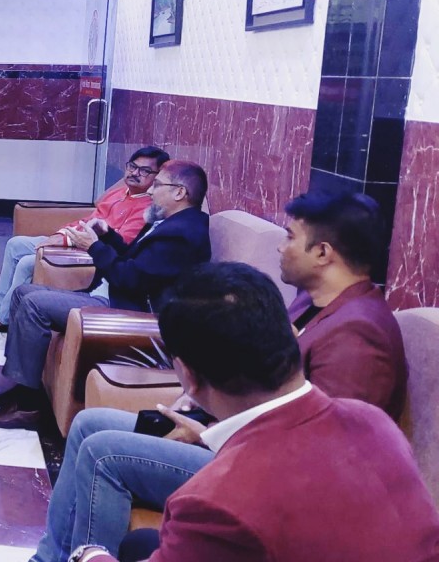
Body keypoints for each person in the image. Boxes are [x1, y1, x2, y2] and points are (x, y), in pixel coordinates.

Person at [32, 191, 409, 561]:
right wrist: (200, 404)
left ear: (323, 253)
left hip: (267, 471)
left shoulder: (358, 335)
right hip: (236, 434)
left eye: (291, 237)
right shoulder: (310, 302)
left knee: (103, 453)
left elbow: (324, 455)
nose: (281, 248)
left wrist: (211, 435)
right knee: (89, 424)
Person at [67, 262, 439, 562]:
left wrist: (88, 553)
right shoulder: (373, 421)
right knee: (140, 543)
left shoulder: (215, 502)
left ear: (188, 376)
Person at [0, 161, 211, 429]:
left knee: (33, 303)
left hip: (130, 312)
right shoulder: (170, 223)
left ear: (180, 192)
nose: (150, 191)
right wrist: (108, 236)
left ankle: (29, 405)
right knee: (22, 293)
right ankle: (20, 388)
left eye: (157, 185)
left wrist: (94, 247)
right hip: (117, 296)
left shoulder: (182, 234)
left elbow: (130, 279)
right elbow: (133, 260)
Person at [0, 146, 167, 318]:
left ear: (157, 178)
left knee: (26, 263)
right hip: (77, 240)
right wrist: (62, 235)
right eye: (132, 166)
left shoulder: (148, 209)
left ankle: (3, 318)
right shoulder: (117, 193)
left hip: (93, 251)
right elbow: (87, 221)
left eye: (144, 171)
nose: (135, 173)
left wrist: (68, 240)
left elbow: (122, 242)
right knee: (15, 244)